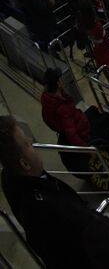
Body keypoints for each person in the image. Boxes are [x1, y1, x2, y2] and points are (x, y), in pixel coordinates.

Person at [0, 115, 99, 269]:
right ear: (25, 164)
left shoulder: (10, 176)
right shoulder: (52, 208)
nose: (32, 142)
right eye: (27, 144)